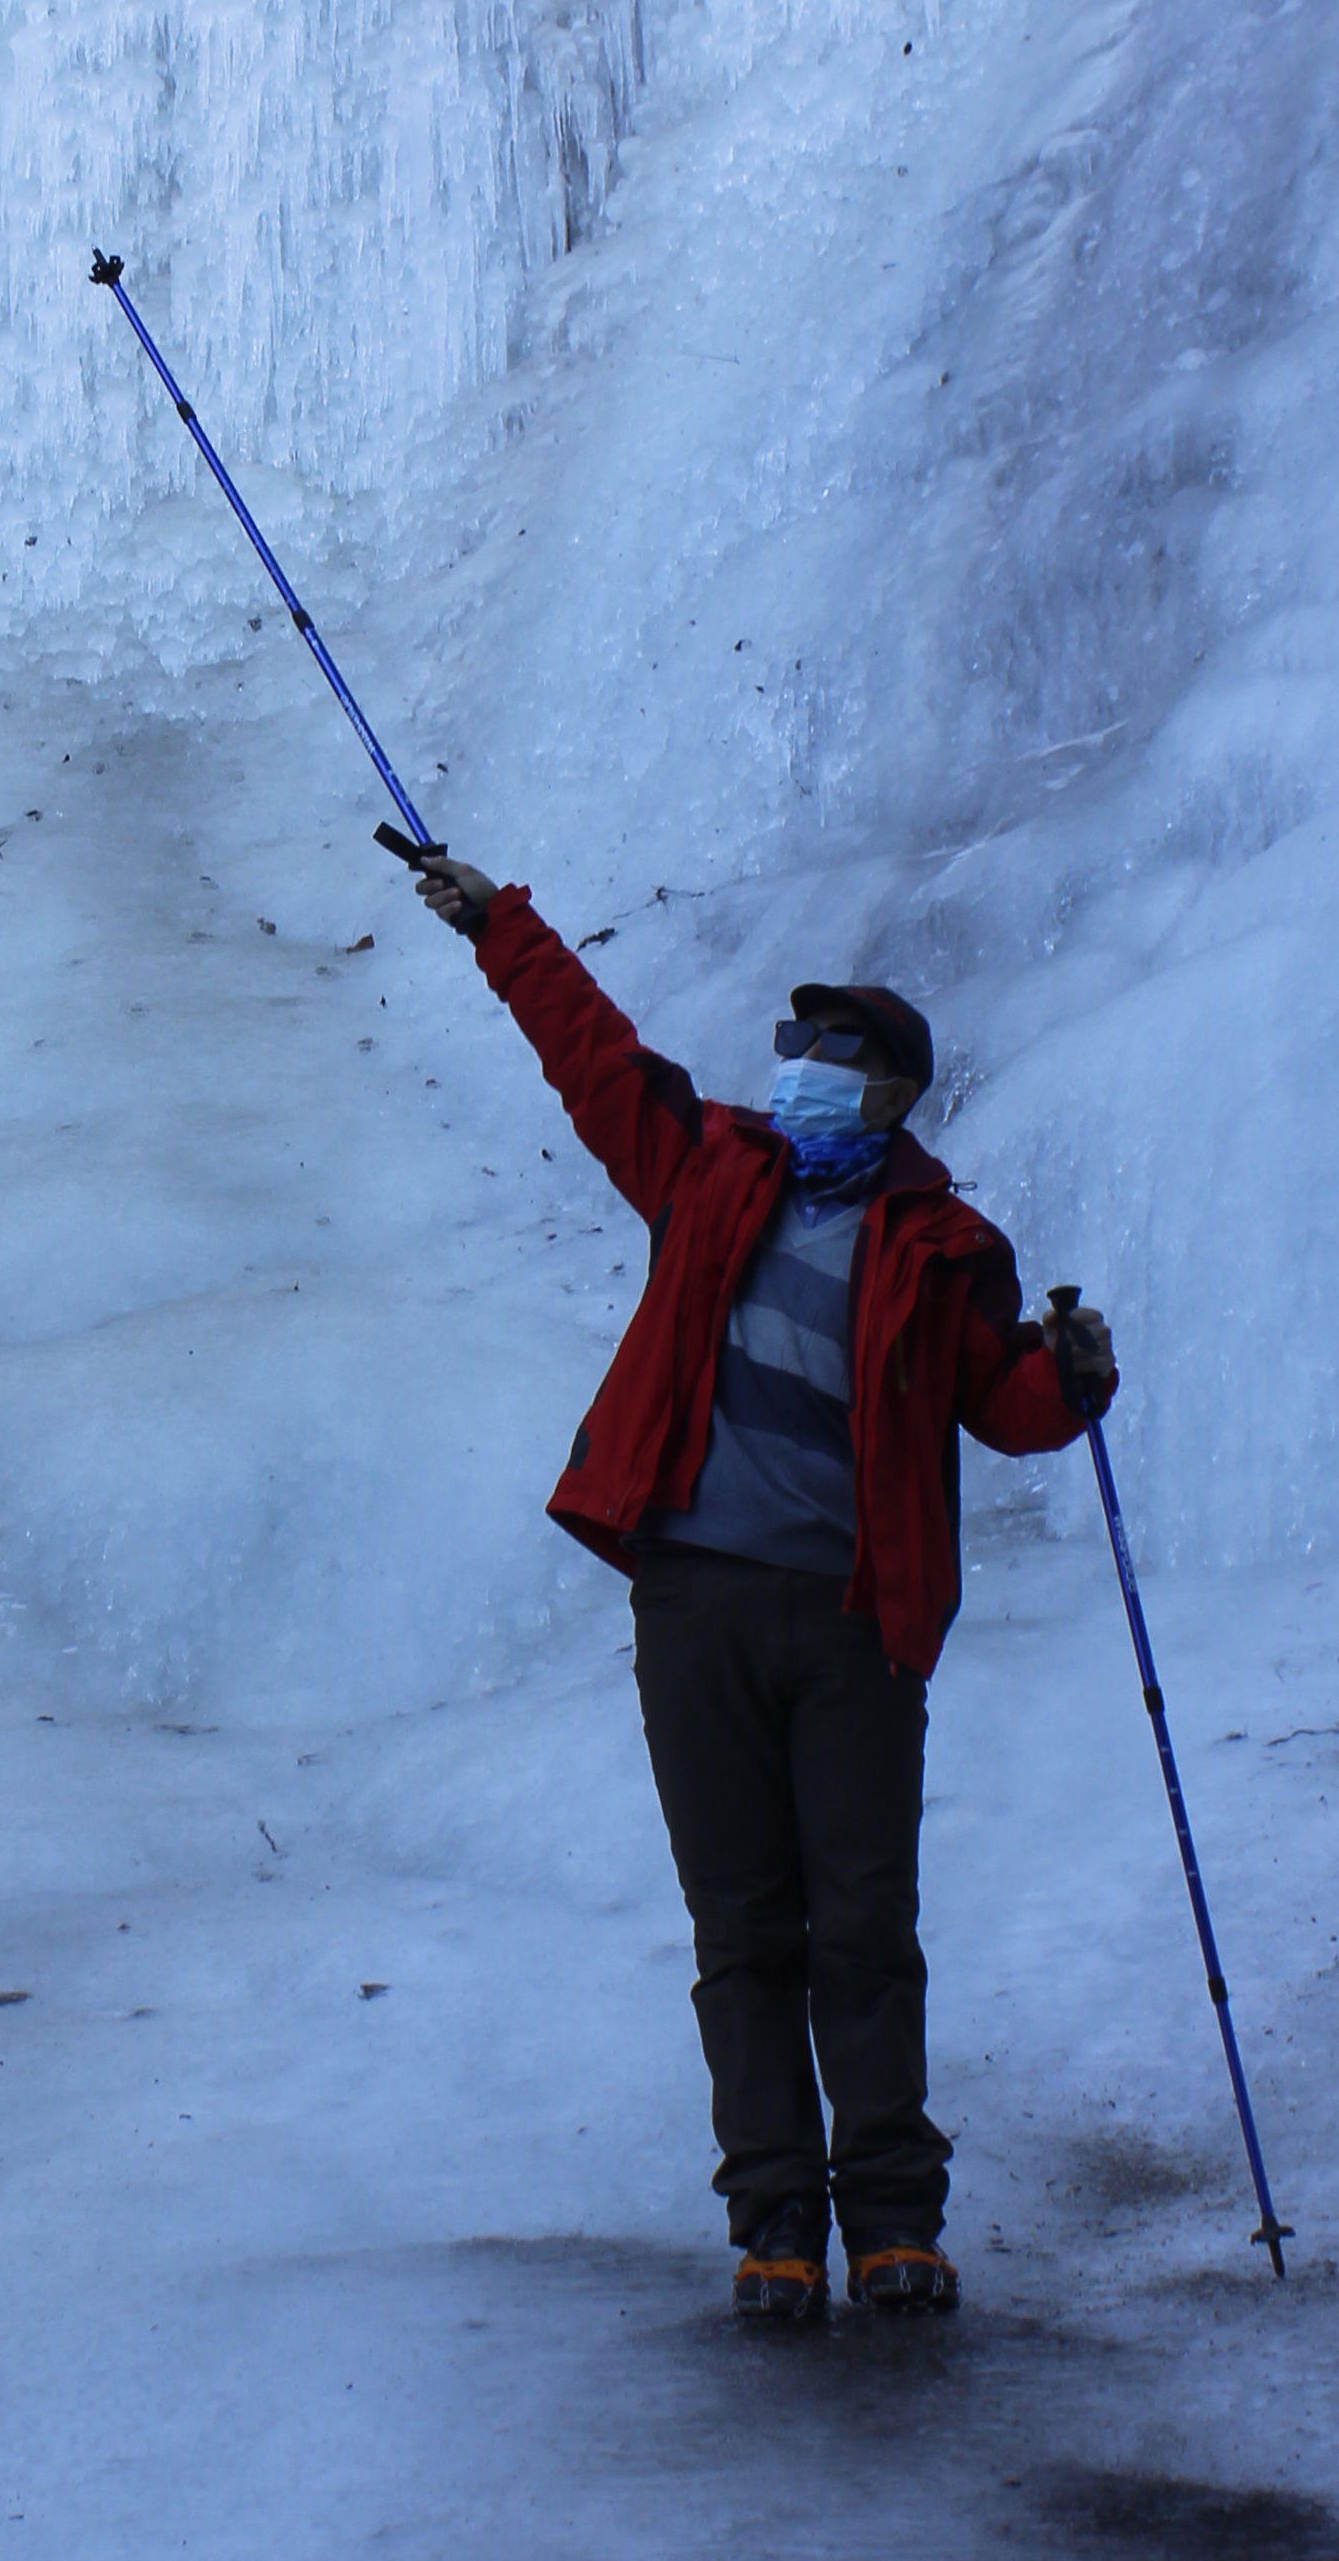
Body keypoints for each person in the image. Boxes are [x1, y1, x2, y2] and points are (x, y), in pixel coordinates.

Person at [399, 850, 1114, 2324]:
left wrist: (1075, 1379)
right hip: (697, 1607)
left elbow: (1007, 1404)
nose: (800, 1071)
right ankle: (776, 2225)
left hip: (854, 1628)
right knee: (744, 1927)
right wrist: (500, 924)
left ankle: (896, 2226)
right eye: (796, 1049)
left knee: (861, 1922)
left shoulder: (950, 1249)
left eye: (833, 1054)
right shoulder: (709, 1167)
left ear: (894, 1088)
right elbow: (591, 1055)